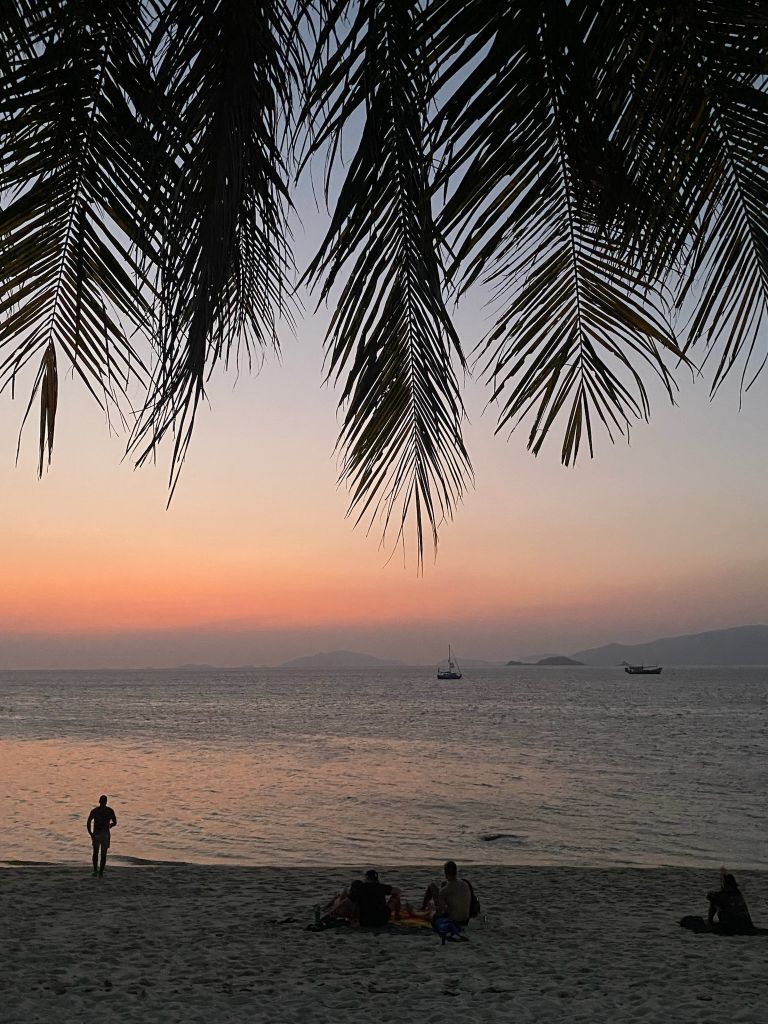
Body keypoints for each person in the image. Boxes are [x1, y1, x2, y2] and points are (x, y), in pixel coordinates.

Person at [420, 860, 472, 926]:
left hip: (454, 921)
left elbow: (441, 911)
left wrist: (431, 907)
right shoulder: (465, 884)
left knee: (431, 886)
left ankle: (423, 908)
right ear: (456, 872)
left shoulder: (444, 890)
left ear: (445, 873)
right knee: (443, 883)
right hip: (465, 920)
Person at [87, 794, 117, 877]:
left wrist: (90, 833)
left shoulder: (95, 811)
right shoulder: (110, 811)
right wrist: (110, 825)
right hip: (105, 834)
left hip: (96, 833)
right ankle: (100, 873)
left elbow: (88, 822)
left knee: (95, 853)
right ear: (106, 802)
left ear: (99, 801)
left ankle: (95, 870)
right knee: (103, 854)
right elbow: (115, 822)